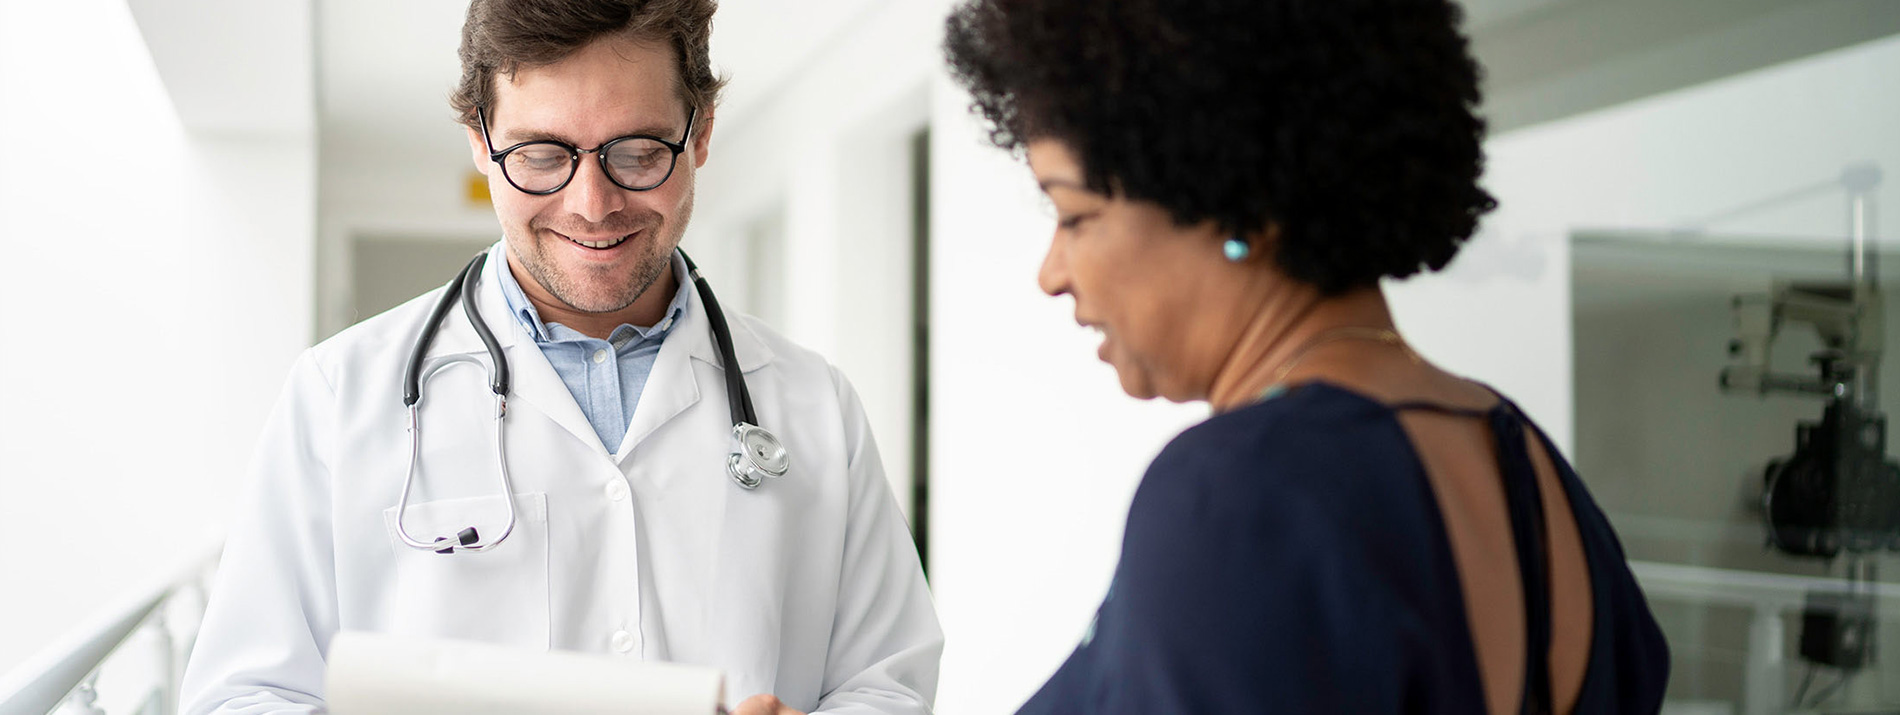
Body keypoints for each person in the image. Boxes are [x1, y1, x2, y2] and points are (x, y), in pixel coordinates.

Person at [179, 1, 941, 713]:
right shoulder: (336, 395)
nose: (592, 204)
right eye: (543, 155)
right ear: (481, 138)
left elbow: (888, 679)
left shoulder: (813, 405)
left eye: (638, 152)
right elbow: (242, 691)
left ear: (701, 131)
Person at [944, 0, 1669, 712]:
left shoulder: (1236, 494)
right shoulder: (1539, 477)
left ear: (1237, 203)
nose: (1052, 272)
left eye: (1076, 216)